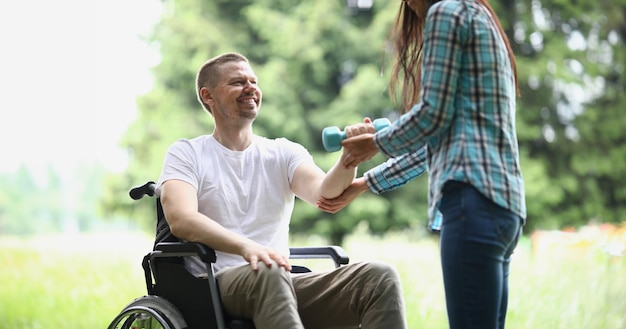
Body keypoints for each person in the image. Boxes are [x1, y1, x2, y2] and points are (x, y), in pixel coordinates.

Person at [155, 52, 407, 329]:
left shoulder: (283, 152)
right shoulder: (187, 153)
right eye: (238, 82)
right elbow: (181, 219)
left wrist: (350, 159)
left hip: (279, 279)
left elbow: (327, 192)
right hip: (216, 284)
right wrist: (246, 247)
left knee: (379, 277)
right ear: (208, 96)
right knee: (269, 271)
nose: (251, 87)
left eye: (254, 80)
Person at [320, 1, 527, 329]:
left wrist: (374, 144)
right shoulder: (481, 17)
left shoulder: (447, 12)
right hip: (505, 208)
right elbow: (439, 137)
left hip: (470, 201)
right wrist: (366, 182)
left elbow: (433, 115)